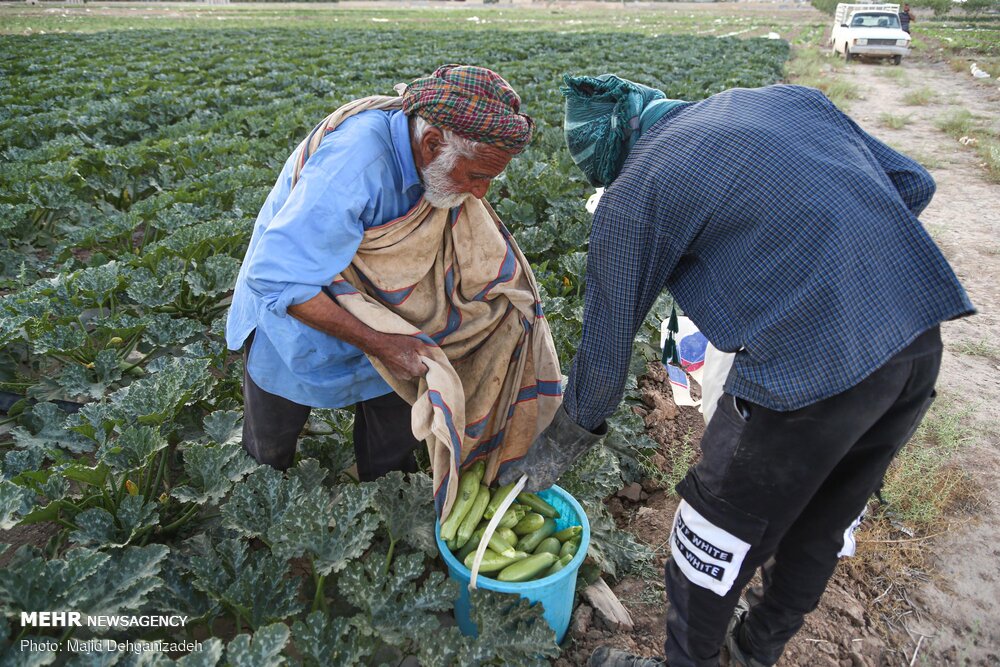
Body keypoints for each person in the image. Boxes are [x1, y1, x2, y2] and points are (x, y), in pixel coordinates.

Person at [499, 76, 974, 667]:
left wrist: (555, 447)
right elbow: (913, 182)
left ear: (616, 158)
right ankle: (752, 653)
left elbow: (602, 361)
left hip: (805, 378)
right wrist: (835, 266)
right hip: (913, 340)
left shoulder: (635, 191)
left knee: (709, 539)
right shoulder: (782, 98)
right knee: (821, 524)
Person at [225, 65, 535, 481]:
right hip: (297, 317)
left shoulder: (436, 164)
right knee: (271, 443)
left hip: (390, 313)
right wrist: (382, 343)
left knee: (393, 441)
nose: (481, 194)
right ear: (430, 143)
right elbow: (281, 281)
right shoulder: (354, 167)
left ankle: (390, 498)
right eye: (478, 176)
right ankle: (261, 506)